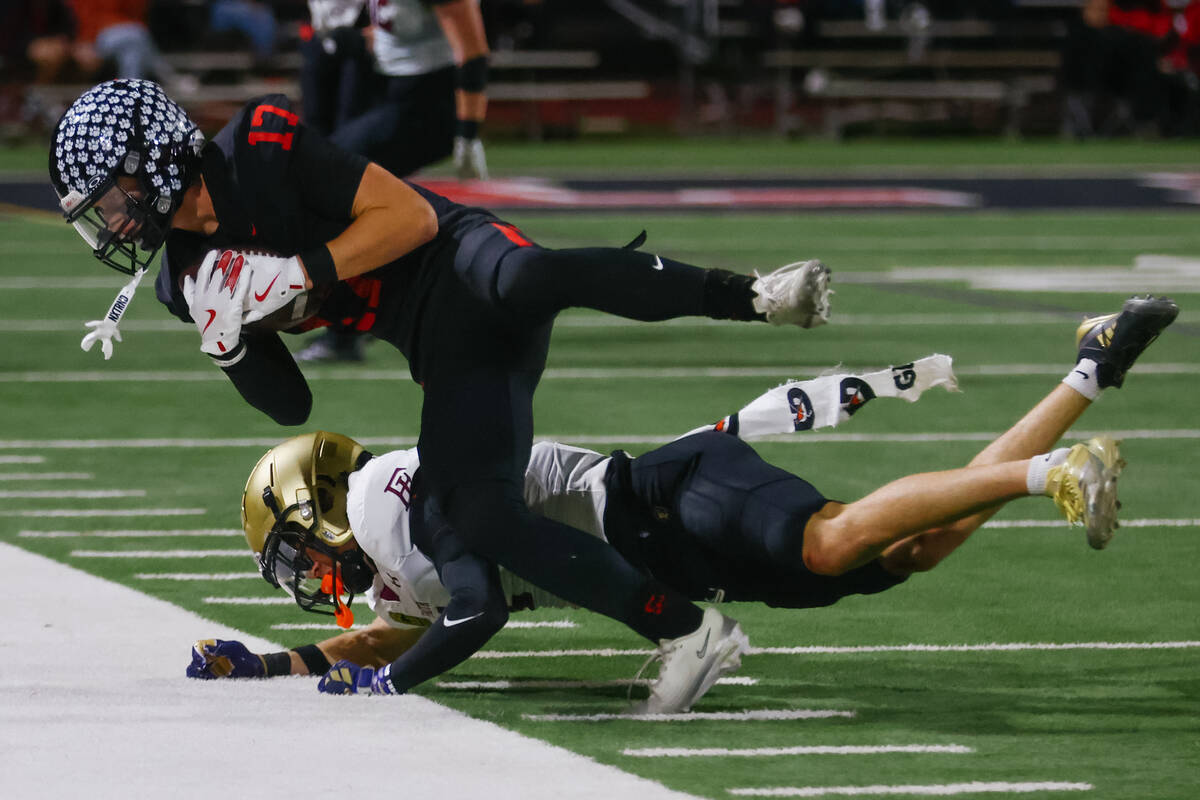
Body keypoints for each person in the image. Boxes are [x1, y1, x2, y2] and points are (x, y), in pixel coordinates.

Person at [51, 78, 832, 714]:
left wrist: (297, 275)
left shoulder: (260, 142)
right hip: (438, 344)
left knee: (523, 280)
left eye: (112, 195)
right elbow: (290, 406)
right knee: (480, 517)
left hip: (456, 257)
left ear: (151, 159)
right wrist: (227, 347)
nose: (112, 220)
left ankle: (756, 296)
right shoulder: (182, 280)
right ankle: (693, 633)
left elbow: (411, 216)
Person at [187, 295, 1178, 711]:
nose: (311, 579)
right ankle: (1089, 369)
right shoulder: (395, 538)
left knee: (836, 540)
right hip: (676, 553)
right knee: (906, 550)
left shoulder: (391, 495)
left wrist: (390, 688)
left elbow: (473, 612)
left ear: (317, 504)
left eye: (296, 553)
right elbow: (394, 634)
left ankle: (1042, 473)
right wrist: (268, 661)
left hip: (671, 495)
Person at [295, 0, 493, 363]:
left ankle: (350, 327)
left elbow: (473, 53)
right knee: (343, 188)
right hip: (396, 93)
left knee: (331, 179)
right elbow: (392, 38)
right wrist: (349, 40)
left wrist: (468, 132)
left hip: (429, 105)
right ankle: (388, 308)